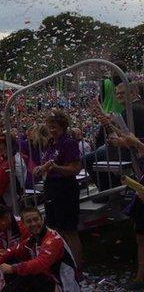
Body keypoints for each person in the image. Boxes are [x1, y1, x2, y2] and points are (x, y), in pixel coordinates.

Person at [33, 110, 83, 266]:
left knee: (69, 231)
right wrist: (40, 169)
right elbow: (48, 165)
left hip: (65, 188)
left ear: (63, 126)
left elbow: (75, 169)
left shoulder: (69, 143)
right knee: (55, 229)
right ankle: (63, 263)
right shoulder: (50, 144)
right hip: (51, 187)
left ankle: (77, 267)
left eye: (54, 126)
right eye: (49, 126)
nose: (51, 129)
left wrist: (55, 167)